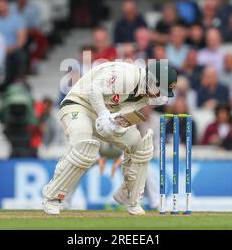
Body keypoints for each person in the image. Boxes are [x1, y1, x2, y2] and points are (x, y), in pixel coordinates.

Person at [42, 60, 177, 216]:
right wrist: (104, 114)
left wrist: (115, 123)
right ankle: (53, 197)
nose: (161, 95)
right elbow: (93, 89)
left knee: (141, 146)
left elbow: (120, 111)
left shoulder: (145, 95)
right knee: (85, 148)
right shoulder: (126, 76)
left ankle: (128, 195)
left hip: (104, 115)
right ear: (151, 80)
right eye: (160, 89)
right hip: (79, 105)